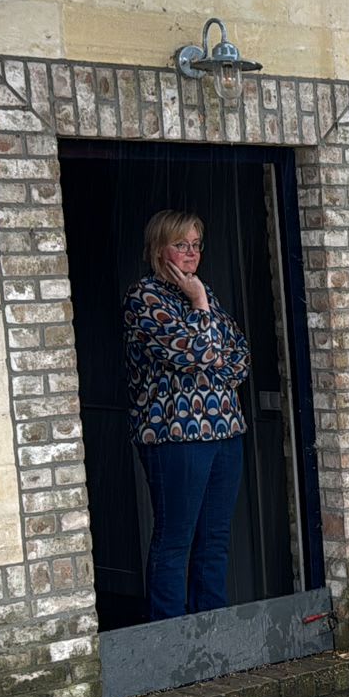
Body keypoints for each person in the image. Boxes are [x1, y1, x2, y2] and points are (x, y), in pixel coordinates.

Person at [123, 209, 252, 621]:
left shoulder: (204, 293)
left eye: (196, 245)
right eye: (181, 245)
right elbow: (197, 352)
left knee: (214, 540)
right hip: (175, 438)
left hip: (225, 432)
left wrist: (203, 333)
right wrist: (199, 309)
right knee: (175, 540)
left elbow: (239, 359)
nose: (191, 254)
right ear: (159, 250)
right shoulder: (144, 298)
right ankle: (169, 639)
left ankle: (210, 633)